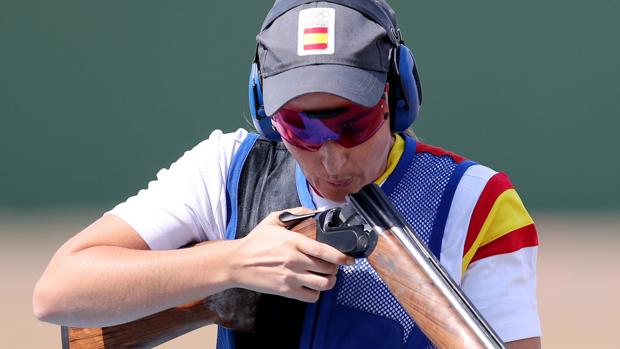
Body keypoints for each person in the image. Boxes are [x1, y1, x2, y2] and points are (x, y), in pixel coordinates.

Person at [33, 0, 541, 348]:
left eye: (353, 124)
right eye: (300, 130)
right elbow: (58, 292)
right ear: (263, 111)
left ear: (396, 97)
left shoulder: (478, 201)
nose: (333, 159)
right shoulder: (228, 169)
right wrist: (233, 264)